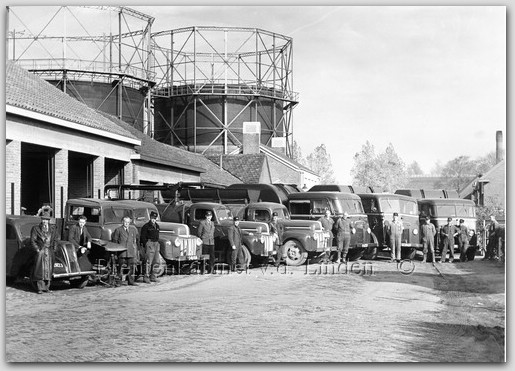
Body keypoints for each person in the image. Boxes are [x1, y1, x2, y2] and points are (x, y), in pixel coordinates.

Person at [30, 212, 58, 294]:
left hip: (49, 251)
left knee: (48, 270)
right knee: (40, 270)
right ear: (41, 220)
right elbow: (33, 240)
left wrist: (54, 249)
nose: (45, 221)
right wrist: (37, 250)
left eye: (46, 220)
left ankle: (47, 288)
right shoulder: (36, 228)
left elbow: (56, 240)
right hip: (41, 251)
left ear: (49, 220)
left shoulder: (53, 229)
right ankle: (39, 288)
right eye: (43, 219)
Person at [111, 216, 139, 286]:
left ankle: (131, 281)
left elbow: (135, 240)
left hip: (130, 251)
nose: (126, 223)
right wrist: (116, 252)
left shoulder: (133, 230)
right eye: (125, 222)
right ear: (122, 222)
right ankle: (119, 281)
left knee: (131, 267)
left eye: (128, 222)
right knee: (120, 267)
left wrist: (135, 249)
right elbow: (115, 241)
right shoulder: (118, 230)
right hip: (122, 252)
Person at [140, 211, 161, 283]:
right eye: (152, 218)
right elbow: (143, 236)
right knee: (148, 261)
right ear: (150, 217)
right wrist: (146, 244)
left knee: (156, 261)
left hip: (156, 244)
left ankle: (153, 276)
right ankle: (146, 277)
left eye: (155, 218)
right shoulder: (146, 226)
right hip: (150, 243)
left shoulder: (157, 226)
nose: (153, 219)